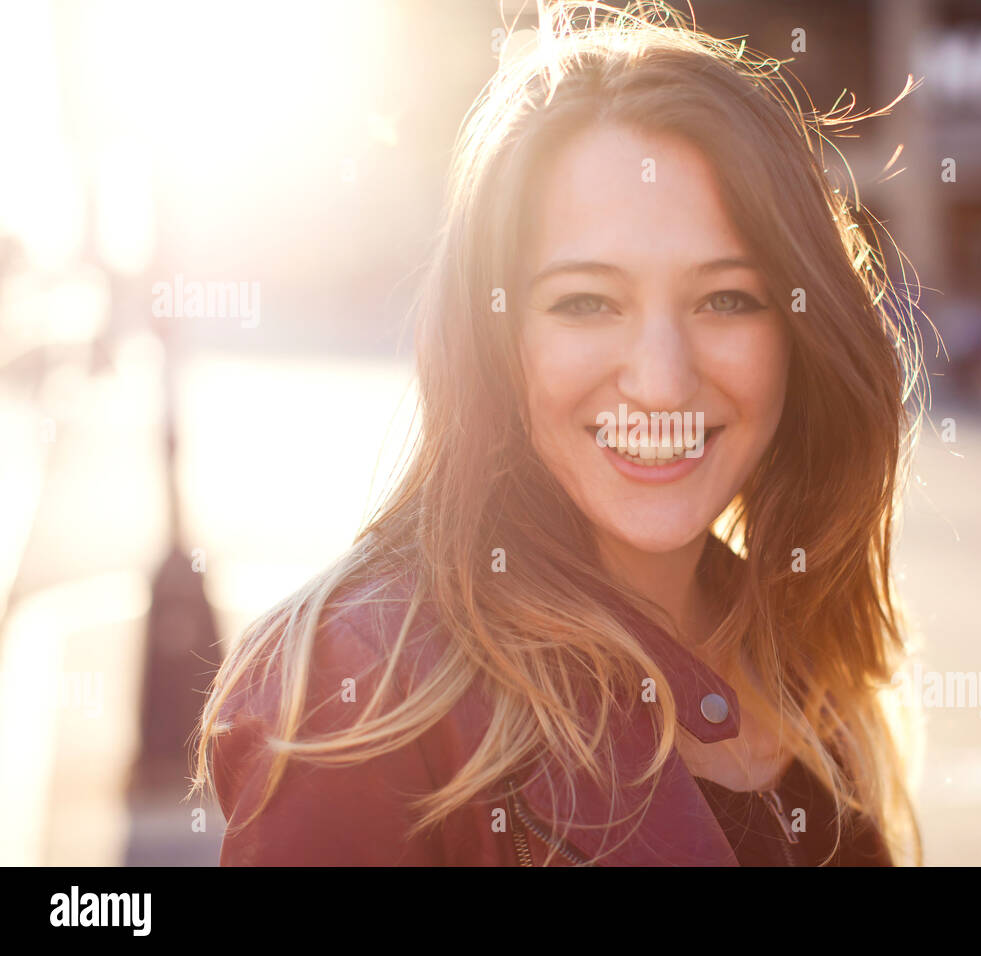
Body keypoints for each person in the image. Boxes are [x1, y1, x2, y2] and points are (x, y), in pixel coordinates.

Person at [192, 0, 928, 866]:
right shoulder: (362, 690)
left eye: (727, 298)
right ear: (496, 337)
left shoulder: (803, 646)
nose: (661, 380)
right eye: (586, 302)